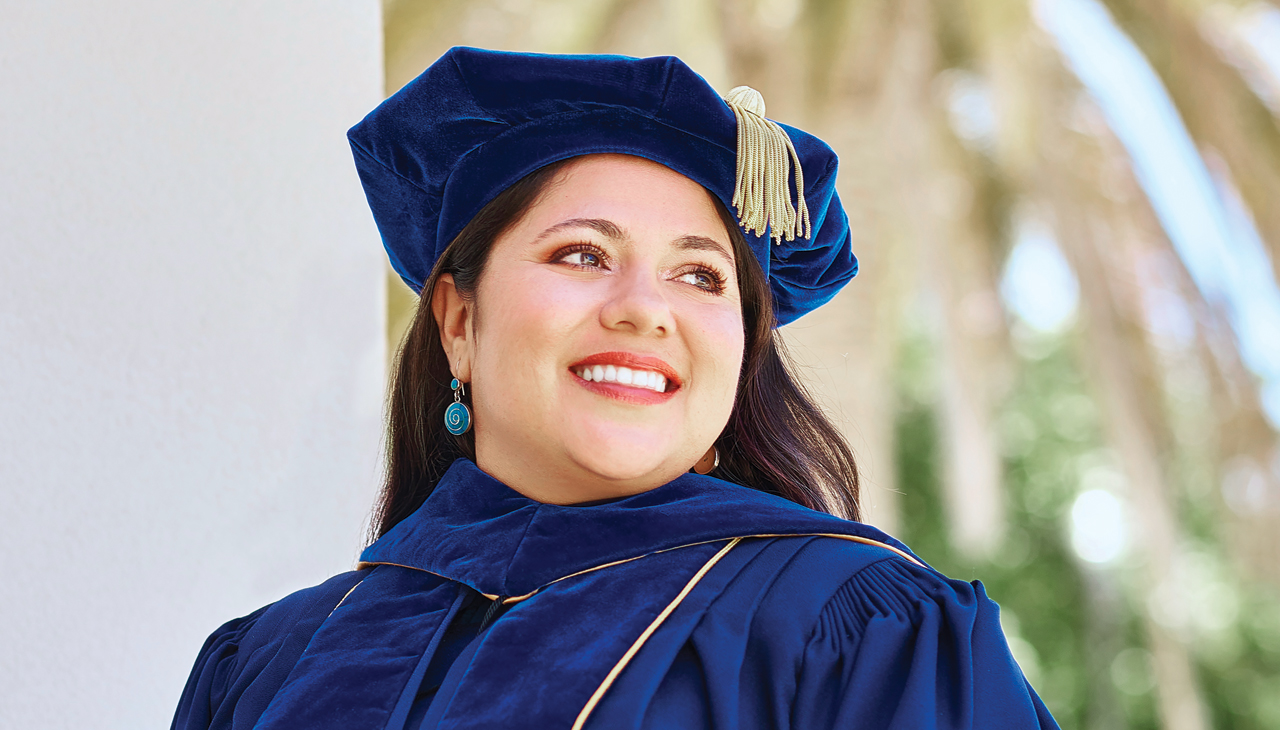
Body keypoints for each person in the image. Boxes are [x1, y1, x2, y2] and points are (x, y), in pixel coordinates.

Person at [172, 47, 1060, 730]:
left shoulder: (860, 632)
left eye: (702, 277)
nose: (645, 311)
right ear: (457, 322)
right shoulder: (269, 662)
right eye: (583, 255)